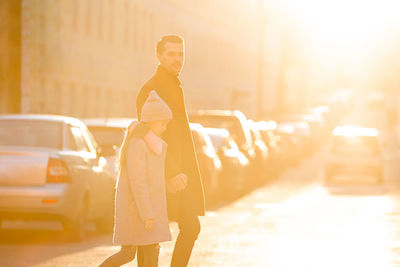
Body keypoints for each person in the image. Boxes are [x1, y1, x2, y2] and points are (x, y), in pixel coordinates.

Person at [136, 35, 205, 267]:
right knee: (150, 235)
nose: (178, 59)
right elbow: (149, 135)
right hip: (162, 173)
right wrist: (171, 172)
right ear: (159, 56)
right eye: (172, 54)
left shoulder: (173, 83)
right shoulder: (152, 88)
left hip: (178, 173)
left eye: (181, 54)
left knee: (187, 227)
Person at [100, 91, 173, 267]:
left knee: (148, 251)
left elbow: (153, 181)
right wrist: (147, 214)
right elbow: (138, 183)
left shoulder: (151, 145)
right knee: (129, 253)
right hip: (138, 211)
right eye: (163, 123)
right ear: (152, 121)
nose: (165, 127)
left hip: (145, 211)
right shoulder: (139, 145)